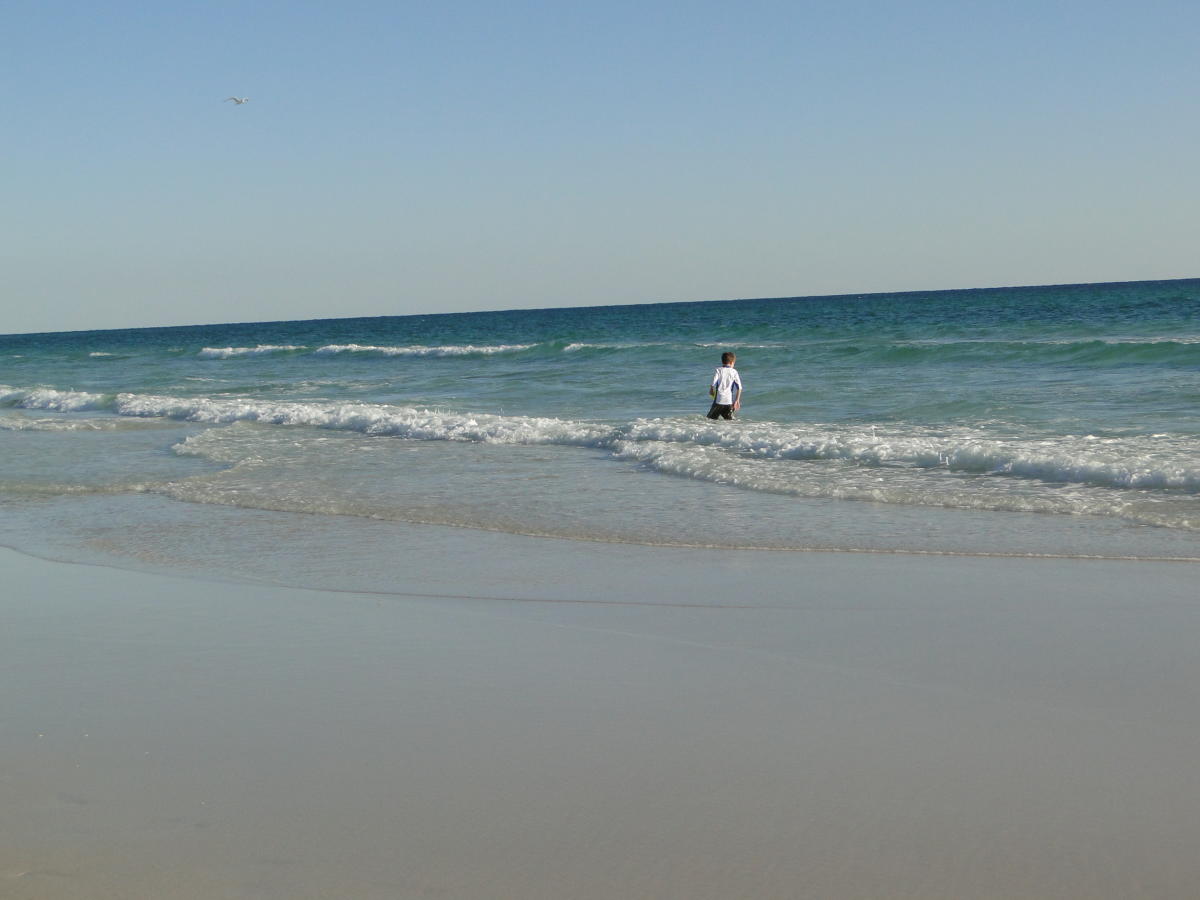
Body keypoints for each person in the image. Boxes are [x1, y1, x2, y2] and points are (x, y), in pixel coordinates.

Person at [707, 351, 743, 420]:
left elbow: (713, 382)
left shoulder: (718, 370)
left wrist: (711, 389)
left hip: (718, 402)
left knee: (709, 420)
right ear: (732, 363)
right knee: (730, 422)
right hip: (728, 403)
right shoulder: (734, 372)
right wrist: (737, 400)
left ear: (722, 361)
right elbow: (739, 388)